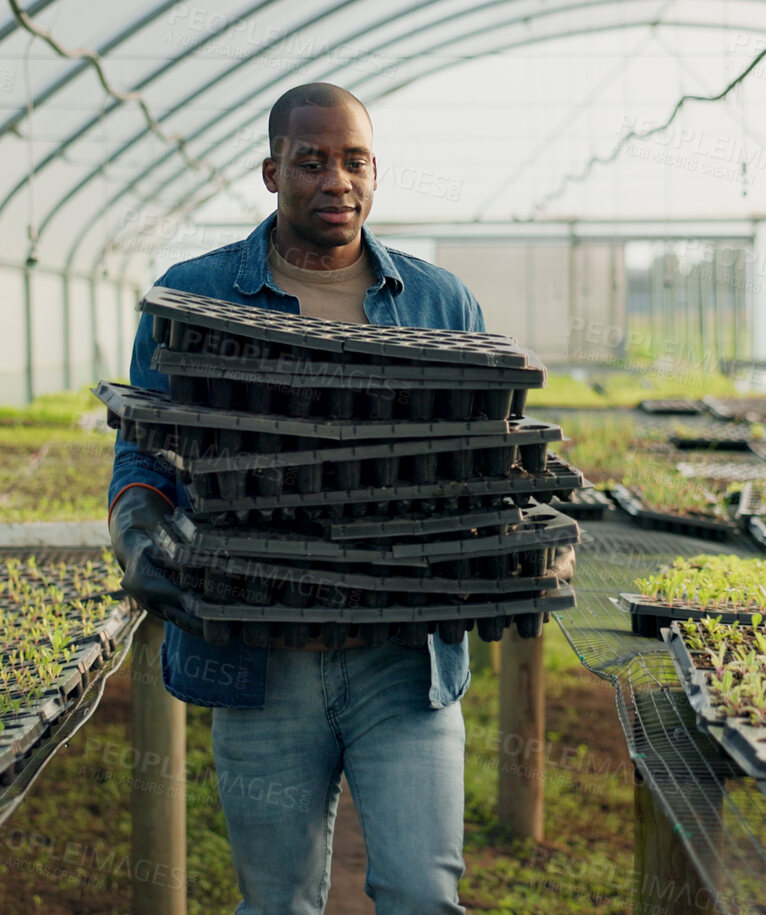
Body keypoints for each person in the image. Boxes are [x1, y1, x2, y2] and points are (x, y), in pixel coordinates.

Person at [106, 82, 485, 915]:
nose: (335, 181)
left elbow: (483, 458)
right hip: (260, 649)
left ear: (375, 173)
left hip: (399, 653)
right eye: (311, 162)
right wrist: (134, 524)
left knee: (421, 893)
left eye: (354, 161)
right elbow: (144, 447)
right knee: (275, 900)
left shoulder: (438, 302)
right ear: (272, 172)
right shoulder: (193, 297)